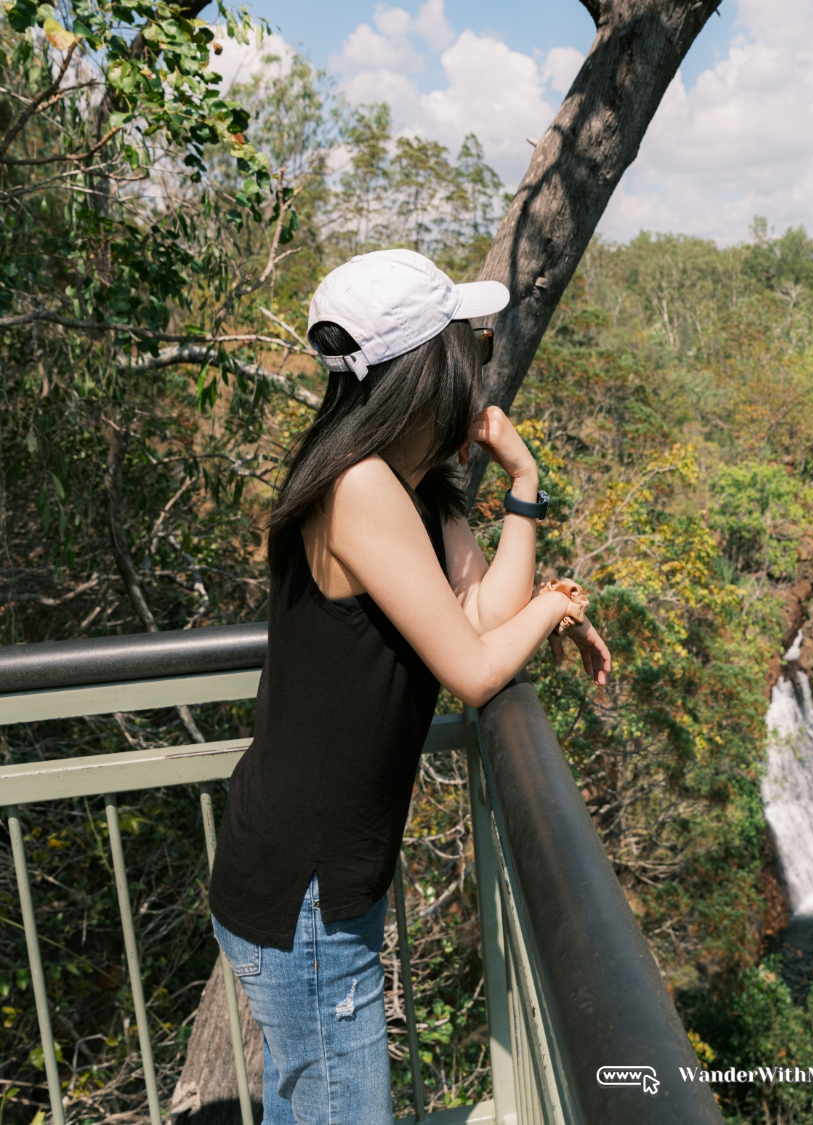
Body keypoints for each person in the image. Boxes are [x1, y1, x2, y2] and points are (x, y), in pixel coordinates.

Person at [207, 249, 610, 1124]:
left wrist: (526, 488)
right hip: (304, 888)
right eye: (469, 341)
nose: (480, 356)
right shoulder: (360, 489)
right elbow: (473, 669)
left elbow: (476, 614)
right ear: (432, 365)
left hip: (314, 875)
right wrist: (552, 610)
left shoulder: (408, 484)